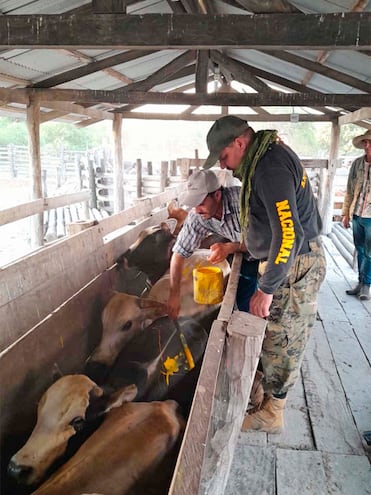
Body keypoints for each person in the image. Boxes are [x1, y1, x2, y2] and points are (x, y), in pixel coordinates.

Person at [203, 115, 326, 433]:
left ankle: (273, 413)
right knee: (274, 333)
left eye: (224, 156)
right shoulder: (263, 160)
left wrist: (266, 288)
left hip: (294, 264)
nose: (225, 165)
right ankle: (266, 400)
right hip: (284, 260)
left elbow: (288, 234)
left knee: (283, 337)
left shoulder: (269, 167)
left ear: (240, 143)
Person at [167, 169, 258, 320]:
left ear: (217, 195)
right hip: (245, 249)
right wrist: (174, 294)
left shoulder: (245, 202)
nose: (196, 209)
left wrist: (230, 247)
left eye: (201, 203)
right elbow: (179, 253)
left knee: (257, 298)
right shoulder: (197, 215)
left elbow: (264, 242)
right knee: (242, 295)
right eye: (194, 203)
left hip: (276, 251)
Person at [341, 130, 371, 301]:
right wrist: (345, 213)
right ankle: (360, 282)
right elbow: (350, 190)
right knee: (359, 249)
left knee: (369, 252)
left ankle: (366, 284)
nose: (366, 146)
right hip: (357, 213)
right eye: (365, 142)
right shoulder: (357, 164)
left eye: (369, 142)